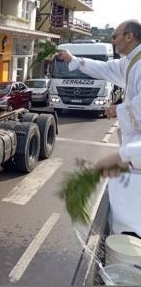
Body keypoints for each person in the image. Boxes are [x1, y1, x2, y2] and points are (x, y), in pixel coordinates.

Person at [57, 19, 141, 237]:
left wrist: (119, 110)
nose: (113, 41)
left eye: (115, 36)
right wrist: (74, 60)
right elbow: (105, 68)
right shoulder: (131, 61)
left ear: (129, 36)